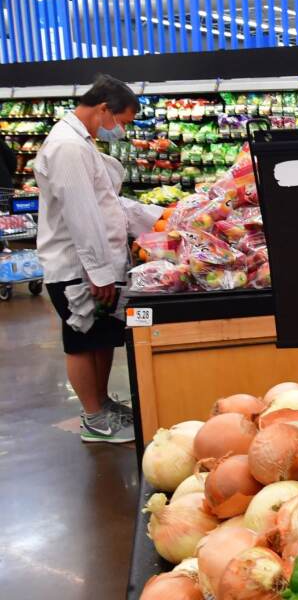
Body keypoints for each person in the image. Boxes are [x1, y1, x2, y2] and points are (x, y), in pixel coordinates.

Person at [35, 75, 162, 444]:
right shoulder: (67, 148)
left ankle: (102, 404)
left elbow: (106, 203)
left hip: (96, 266)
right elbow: (81, 215)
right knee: (80, 340)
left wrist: (154, 216)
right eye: (121, 121)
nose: (120, 130)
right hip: (77, 268)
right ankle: (93, 418)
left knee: (101, 338)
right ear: (103, 108)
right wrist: (100, 272)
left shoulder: (81, 143)